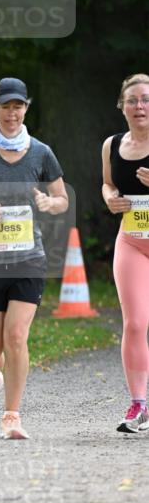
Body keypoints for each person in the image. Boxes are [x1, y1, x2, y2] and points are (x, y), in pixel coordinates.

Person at [0, 77, 69, 440]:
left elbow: (61, 199)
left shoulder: (41, 152)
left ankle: (12, 415)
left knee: (17, 337)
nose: (12, 112)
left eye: (18, 105)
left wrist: (47, 202)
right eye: (5, 105)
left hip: (28, 258)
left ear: (26, 107)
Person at [101, 72, 149, 433]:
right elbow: (107, 183)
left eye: (146, 99)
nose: (140, 106)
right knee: (134, 323)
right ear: (122, 106)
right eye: (132, 100)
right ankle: (138, 405)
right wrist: (109, 198)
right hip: (131, 239)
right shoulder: (111, 144)